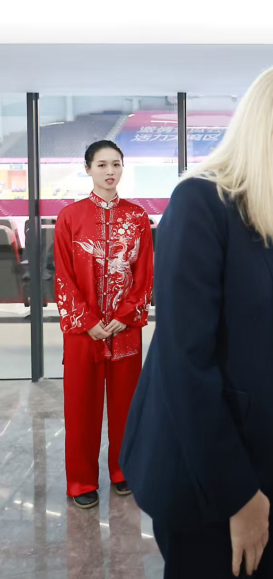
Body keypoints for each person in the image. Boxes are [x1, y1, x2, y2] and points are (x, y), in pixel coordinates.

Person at [119, 63, 273, 578]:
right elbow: (185, 363)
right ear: (266, 134)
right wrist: (238, 497)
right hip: (207, 466)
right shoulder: (201, 202)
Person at [54, 140, 153, 509]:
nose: (109, 171)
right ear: (88, 169)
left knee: (128, 405)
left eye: (116, 164)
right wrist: (89, 321)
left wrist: (124, 317)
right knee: (81, 407)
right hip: (83, 332)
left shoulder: (138, 217)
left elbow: (144, 275)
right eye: (101, 165)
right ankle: (80, 482)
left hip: (125, 329)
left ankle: (123, 470)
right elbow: (63, 276)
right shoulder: (70, 217)